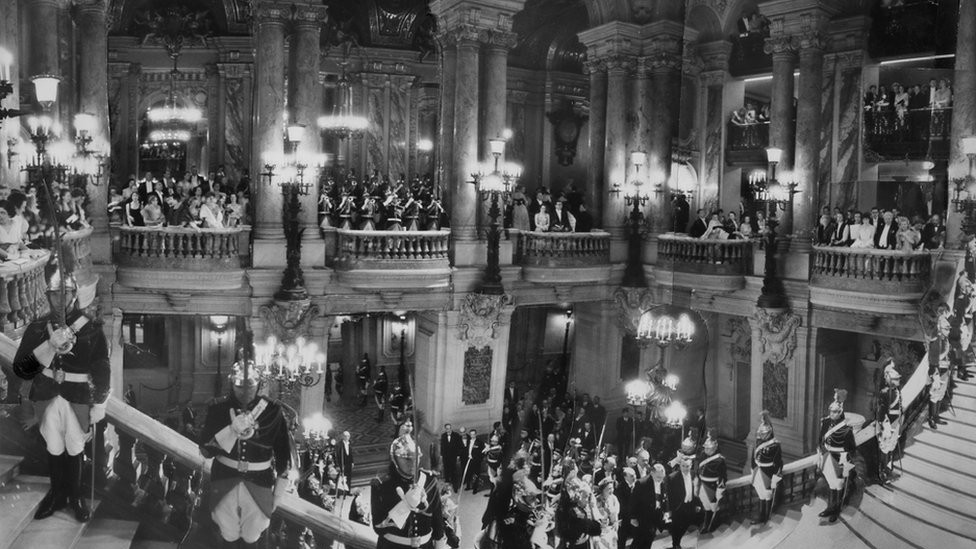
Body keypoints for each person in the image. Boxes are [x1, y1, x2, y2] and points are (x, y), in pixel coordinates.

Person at [12, 248, 108, 523]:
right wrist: (48, 346)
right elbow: (21, 368)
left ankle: (75, 497)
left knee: (75, 447)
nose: (60, 299)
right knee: (54, 447)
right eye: (55, 294)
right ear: (48, 296)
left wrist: (99, 402)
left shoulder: (91, 328)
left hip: (77, 397)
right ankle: (56, 495)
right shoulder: (36, 329)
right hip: (46, 395)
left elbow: (102, 367)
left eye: (66, 294)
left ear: (75, 295)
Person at [198, 361, 293, 548]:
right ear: (232, 383)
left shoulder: (273, 411)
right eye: (240, 385)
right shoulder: (218, 408)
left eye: (250, 385)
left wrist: (278, 494)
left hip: (260, 481)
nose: (245, 390)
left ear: (258, 384)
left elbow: (283, 454)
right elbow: (205, 450)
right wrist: (230, 431)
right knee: (227, 534)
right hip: (224, 478)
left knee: (253, 535)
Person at [370, 433, 450, 549]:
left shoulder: (429, 480)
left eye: (415, 457)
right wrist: (404, 506)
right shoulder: (381, 485)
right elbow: (378, 527)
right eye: (406, 458)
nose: (412, 463)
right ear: (395, 458)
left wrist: (439, 542)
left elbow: (436, 517)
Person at [817, 389, 856, 522]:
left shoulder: (846, 430)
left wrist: (846, 463)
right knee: (831, 484)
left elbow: (852, 448)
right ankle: (830, 507)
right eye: (830, 411)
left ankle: (836, 509)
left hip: (840, 458)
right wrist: (820, 453)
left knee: (839, 485)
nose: (831, 414)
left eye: (834, 412)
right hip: (828, 456)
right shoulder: (826, 422)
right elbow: (821, 439)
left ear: (840, 412)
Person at [666, 436, 699, 549]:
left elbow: (696, 490)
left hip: (689, 505)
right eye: (683, 466)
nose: (685, 468)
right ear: (680, 466)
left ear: (691, 466)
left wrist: (697, 504)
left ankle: (677, 540)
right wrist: (670, 510)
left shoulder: (694, 474)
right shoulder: (672, 477)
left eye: (687, 466)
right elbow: (669, 495)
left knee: (686, 524)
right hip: (678, 506)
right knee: (676, 526)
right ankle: (676, 544)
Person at [751, 410, 782, 525]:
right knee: (760, 494)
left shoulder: (775, 445)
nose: (761, 435)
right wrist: (753, 469)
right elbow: (753, 457)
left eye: (763, 433)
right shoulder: (757, 443)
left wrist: (775, 477)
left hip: (768, 472)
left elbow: (778, 462)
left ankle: (766, 515)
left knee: (767, 495)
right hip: (758, 470)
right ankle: (761, 514)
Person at [875, 361, 903, 485]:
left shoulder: (896, 391)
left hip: (895, 422)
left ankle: (888, 469)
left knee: (891, 447)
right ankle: (882, 473)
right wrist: (884, 425)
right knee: (885, 449)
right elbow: (881, 411)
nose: (898, 381)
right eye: (896, 379)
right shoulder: (885, 392)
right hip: (887, 424)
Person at [629, 462, 666, 549]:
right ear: (652, 473)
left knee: (649, 540)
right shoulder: (641, 483)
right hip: (643, 517)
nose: (660, 480)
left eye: (662, 477)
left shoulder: (662, 482)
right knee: (638, 542)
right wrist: (633, 517)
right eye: (658, 477)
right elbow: (633, 502)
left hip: (656, 516)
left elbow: (664, 498)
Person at [697, 428, 726, 533]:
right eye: (706, 448)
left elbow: (723, 476)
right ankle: (706, 522)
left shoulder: (720, 460)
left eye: (709, 449)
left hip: (712, 485)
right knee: (705, 504)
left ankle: (713, 523)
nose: (706, 450)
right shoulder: (702, 455)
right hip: (703, 483)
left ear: (714, 448)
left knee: (713, 505)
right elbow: (698, 469)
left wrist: (720, 489)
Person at [440, 423, 463, 490]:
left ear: (451, 428)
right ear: (445, 429)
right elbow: (442, 446)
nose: (448, 430)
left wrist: (458, 455)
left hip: (453, 456)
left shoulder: (456, 435)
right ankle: (447, 485)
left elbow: (460, 446)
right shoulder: (443, 436)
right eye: (447, 429)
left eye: (449, 428)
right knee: (446, 470)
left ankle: (455, 486)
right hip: (445, 457)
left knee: (454, 471)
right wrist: (441, 455)